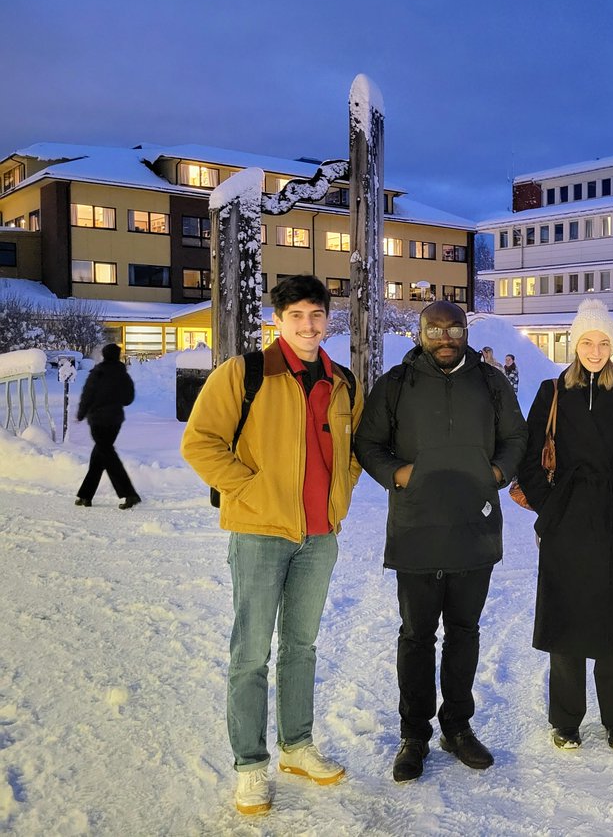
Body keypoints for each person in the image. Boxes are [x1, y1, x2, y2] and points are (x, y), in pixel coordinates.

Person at [180, 275, 363, 815]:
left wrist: (341, 494)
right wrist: (249, 489)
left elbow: (349, 451)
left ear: (327, 319)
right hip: (260, 533)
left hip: (319, 535)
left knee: (301, 646)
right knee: (251, 653)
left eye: (317, 315)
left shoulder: (341, 380)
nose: (308, 326)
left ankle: (296, 746)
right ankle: (249, 766)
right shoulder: (246, 373)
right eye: (297, 316)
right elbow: (200, 441)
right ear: (278, 321)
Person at [355, 301, 527, 782]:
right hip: (417, 526)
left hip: (474, 524)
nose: (445, 337)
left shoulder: (491, 382)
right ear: (421, 333)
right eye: (435, 329)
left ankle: (457, 726)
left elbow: (516, 437)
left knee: (464, 632)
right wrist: (398, 474)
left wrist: (496, 472)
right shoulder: (395, 384)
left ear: (465, 332)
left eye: (454, 328)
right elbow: (368, 444)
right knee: (416, 636)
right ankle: (414, 735)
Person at [518, 299, 613, 752]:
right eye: (587, 342)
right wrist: (549, 508)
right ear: (574, 344)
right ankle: (567, 720)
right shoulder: (552, 391)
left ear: (612, 346)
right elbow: (529, 456)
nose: (595, 351)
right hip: (567, 520)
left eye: (603, 343)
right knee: (568, 625)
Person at [75, 342, 139, 509]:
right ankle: (85, 495)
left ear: (104, 355)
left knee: (107, 455)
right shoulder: (123, 375)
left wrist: (81, 414)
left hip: (97, 421)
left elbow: (87, 395)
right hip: (115, 421)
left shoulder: (98, 373)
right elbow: (128, 399)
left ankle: (129, 494)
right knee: (101, 454)